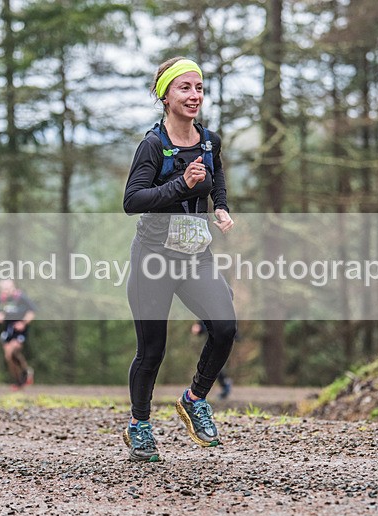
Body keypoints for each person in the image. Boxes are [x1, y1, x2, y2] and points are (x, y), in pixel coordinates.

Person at [122, 57, 238, 462]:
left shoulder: (209, 141)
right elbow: (132, 200)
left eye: (199, 88)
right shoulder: (153, 146)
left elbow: (216, 175)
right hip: (153, 259)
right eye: (185, 88)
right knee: (152, 351)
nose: (194, 95)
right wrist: (181, 184)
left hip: (195, 257)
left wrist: (220, 206)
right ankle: (139, 425)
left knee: (224, 326)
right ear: (165, 96)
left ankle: (194, 398)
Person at [0, 279, 36, 391]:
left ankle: (25, 374)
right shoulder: (0, 300)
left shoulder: (21, 298)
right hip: (8, 329)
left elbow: (31, 312)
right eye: (3, 289)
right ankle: (19, 380)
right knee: (9, 357)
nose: (6, 291)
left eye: (8, 288)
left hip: (20, 330)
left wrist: (23, 323)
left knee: (13, 350)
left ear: (13, 287)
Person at [191, 320, 233, 400]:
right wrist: (199, 326)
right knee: (210, 362)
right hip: (212, 338)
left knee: (215, 363)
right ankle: (223, 384)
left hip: (222, 338)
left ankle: (224, 384)